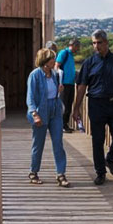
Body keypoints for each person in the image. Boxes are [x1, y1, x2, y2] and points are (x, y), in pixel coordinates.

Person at [72, 29, 113, 185]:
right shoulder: (89, 63)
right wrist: (76, 108)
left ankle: (110, 159)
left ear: (106, 43)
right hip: (96, 104)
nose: (96, 46)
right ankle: (100, 172)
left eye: (99, 43)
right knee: (98, 140)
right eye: (94, 43)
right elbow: (82, 87)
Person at [26, 48, 69, 187]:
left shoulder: (55, 74)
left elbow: (52, 93)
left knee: (58, 143)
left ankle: (61, 174)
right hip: (41, 111)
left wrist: (59, 90)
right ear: (45, 60)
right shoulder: (35, 75)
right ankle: (33, 172)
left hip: (55, 111)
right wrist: (34, 114)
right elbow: (30, 97)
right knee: (38, 144)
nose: (54, 61)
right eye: (52, 58)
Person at [55, 38, 81, 133]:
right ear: (73, 45)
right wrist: (59, 81)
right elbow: (57, 65)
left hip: (71, 83)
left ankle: (65, 125)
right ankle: (61, 125)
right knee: (64, 105)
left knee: (69, 105)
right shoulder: (64, 53)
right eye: (77, 47)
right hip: (64, 84)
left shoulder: (71, 55)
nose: (77, 49)